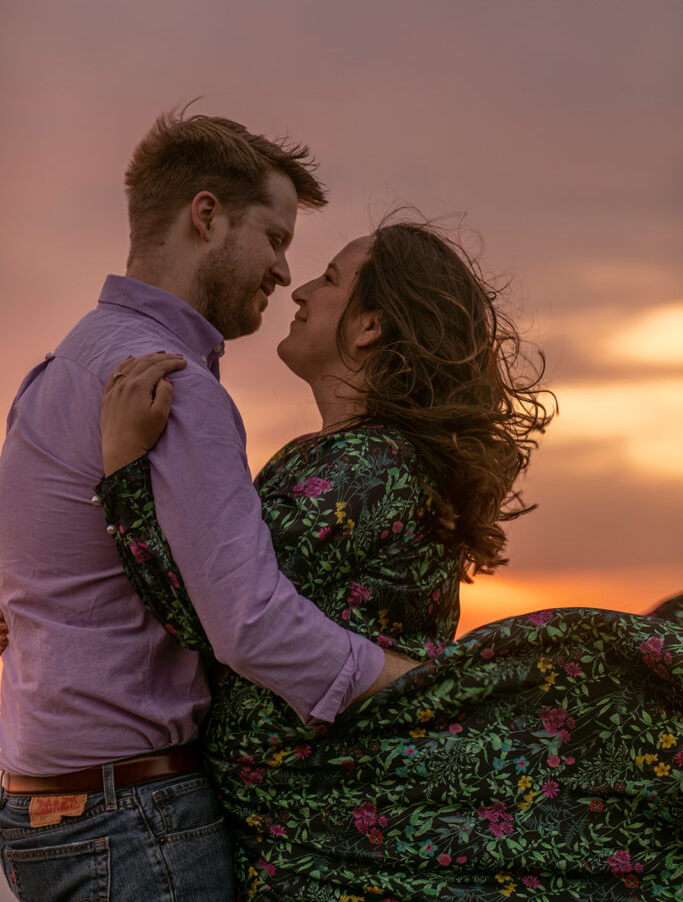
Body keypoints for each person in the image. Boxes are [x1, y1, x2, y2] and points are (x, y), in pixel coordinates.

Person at [94, 222, 682, 901]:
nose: (302, 289)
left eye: (332, 279)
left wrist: (124, 472)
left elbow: (212, 613)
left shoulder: (368, 468)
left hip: (324, 828)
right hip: (311, 825)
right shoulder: (345, 456)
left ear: (370, 325)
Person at [0, 110, 413, 902]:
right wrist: (415, 682)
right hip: (134, 818)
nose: (284, 273)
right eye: (276, 238)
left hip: (46, 808)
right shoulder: (172, 385)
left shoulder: (61, 366)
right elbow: (249, 624)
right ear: (206, 215)